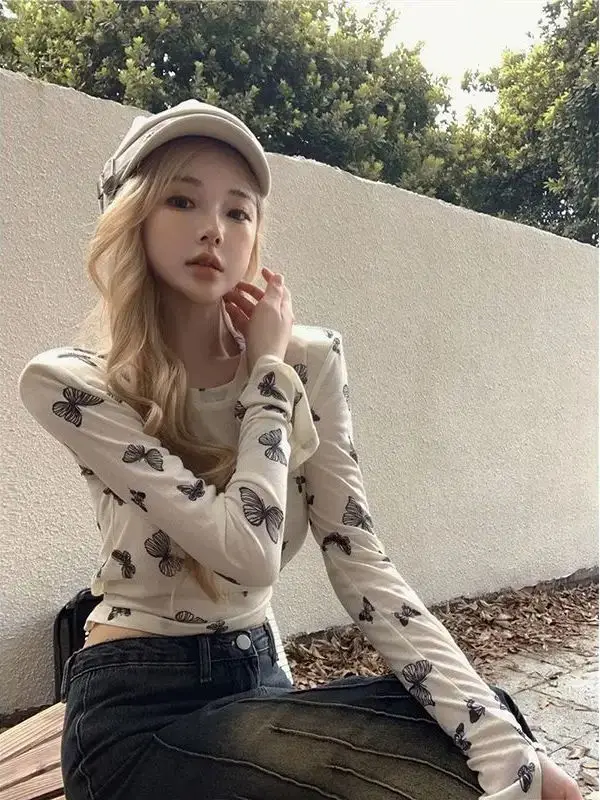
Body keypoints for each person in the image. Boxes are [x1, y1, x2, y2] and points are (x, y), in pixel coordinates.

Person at [18, 99, 581, 800]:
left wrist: (501, 748)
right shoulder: (73, 383)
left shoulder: (312, 360)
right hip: (136, 713)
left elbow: (361, 561)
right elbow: (248, 552)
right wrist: (266, 377)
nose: (213, 229)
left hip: (258, 680)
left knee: (488, 735)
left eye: (238, 211)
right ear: (132, 217)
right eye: (182, 200)